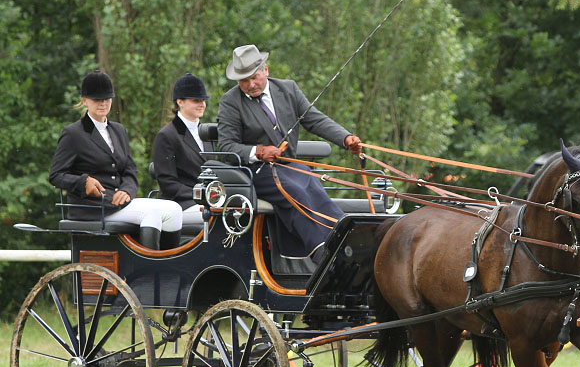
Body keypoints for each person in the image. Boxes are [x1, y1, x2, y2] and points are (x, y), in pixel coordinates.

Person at [217, 44, 362, 262]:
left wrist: (345, 138)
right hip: (256, 172)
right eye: (244, 81)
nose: (251, 85)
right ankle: (322, 252)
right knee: (295, 191)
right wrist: (258, 151)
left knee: (313, 185)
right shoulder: (230, 102)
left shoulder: (288, 89)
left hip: (290, 166)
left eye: (255, 78)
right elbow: (225, 147)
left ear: (266, 70)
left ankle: (344, 239)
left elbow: (315, 120)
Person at [49, 70, 183, 250]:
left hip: (118, 202)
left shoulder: (118, 130)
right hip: (93, 208)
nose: (103, 103)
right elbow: (56, 175)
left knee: (173, 210)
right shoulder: (73, 134)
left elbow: (129, 170)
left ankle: (168, 268)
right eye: (97, 99)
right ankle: (150, 272)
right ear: (84, 100)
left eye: (107, 98)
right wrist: (83, 181)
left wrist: (127, 190)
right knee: (152, 214)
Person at [152, 73, 214, 226]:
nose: (202, 104)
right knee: (219, 217)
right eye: (196, 100)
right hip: (180, 204)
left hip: (208, 201)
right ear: (180, 102)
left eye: (203, 100)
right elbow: (168, 184)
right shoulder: (166, 135)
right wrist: (202, 195)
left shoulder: (207, 132)